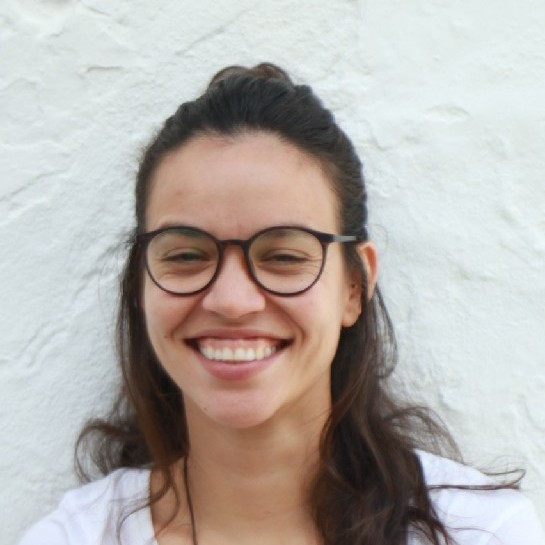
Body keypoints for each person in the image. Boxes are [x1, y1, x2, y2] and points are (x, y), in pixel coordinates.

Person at [19, 63, 544, 545]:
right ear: (140, 283)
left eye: (284, 256)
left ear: (355, 286)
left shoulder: (484, 534)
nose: (232, 300)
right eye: (186, 255)